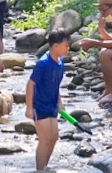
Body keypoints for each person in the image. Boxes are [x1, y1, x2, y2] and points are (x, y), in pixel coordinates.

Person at [27, 28, 71, 171]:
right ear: (56, 46)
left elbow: (55, 84)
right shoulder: (43, 63)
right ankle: (39, 169)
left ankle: (44, 167)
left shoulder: (60, 62)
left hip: (52, 105)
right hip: (40, 105)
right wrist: (29, 107)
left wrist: (60, 102)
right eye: (66, 45)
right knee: (44, 140)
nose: (68, 48)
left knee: (53, 138)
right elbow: (30, 84)